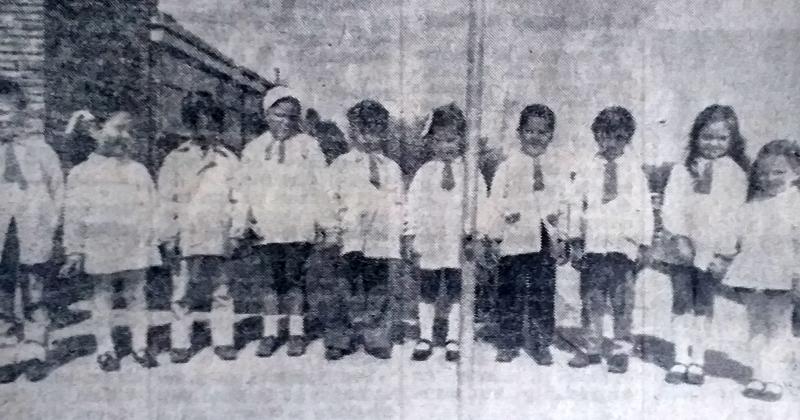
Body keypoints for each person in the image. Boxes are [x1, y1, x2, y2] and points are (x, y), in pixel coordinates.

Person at [60, 111, 162, 371]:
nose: (123, 137)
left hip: (134, 242)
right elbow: (74, 214)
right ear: (95, 132)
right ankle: (105, 349)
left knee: (136, 294)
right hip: (100, 243)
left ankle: (140, 345)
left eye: (128, 131)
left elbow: (151, 207)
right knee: (102, 295)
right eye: (117, 129)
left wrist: (154, 239)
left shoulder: (138, 171)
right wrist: (74, 250)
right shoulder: (81, 173)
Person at [236, 87, 334, 357]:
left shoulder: (308, 146)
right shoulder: (254, 149)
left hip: (297, 225)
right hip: (265, 227)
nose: (286, 123)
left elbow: (321, 186)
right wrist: (243, 220)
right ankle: (269, 333)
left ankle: (296, 333)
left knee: (294, 281)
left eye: (292, 117)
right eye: (280, 116)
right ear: (267, 114)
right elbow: (243, 188)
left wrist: (325, 222)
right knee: (269, 282)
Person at [660, 104, 749, 385]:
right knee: (681, 300)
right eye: (707, 137)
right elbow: (671, 206)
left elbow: (737, 216)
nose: (713, 144)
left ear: (732, 141)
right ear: (696, 137)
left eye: (721, 138)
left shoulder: (736, 174)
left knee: (704, 304)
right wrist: (679, 237)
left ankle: (697, 359)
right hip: (682, 247)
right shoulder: (681, 170)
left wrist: (725, 254)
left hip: (713, 250)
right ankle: (679, 358)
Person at [158, 92, 246, 363]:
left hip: (218, 233)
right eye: (198, 123)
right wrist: (168, 234)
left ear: (219, 125)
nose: (205, 130)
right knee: (182, 291)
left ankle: (223, 340)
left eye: (211, 124)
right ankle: (181, 342)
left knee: (221, 290)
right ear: (189, 125)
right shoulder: (175, 159)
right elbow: (165, 200)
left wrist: (236, 232)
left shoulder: (228, 160)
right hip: (186, 235)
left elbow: (240, 198)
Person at [567, 106, 653, 373]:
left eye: (619, 137)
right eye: (606, 136)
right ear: (597, 135)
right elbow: (574, 204)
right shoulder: (587, 168)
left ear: (627, 139)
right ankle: (590, 347)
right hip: (594, 247)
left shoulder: (634, 171)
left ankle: (620, 351)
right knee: (591, 299)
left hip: (622, 248)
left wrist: (644, 243)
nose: (612, 143)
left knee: (622, 303)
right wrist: (574, 239)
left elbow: (645, 208)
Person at [406, 103, 489, 362]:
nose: (445, 146)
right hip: (430, 238)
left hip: (458, 239)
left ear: (462, 139)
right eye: (439, 140)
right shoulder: (425, 172)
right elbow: (413, 204)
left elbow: (482, 205)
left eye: (451, 140)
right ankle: (425, 336)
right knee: (428, 288)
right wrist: (410, 235)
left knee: (456, 289)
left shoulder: (471, 172)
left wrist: (476, 235)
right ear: (430, 141)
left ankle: (453, 337)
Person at [321, 100, 404, 360]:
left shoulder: (390, 167)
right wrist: (331, 228)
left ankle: (376, 336)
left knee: (378, 287)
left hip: (380, 236)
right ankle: (339, 337)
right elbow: (328, 198)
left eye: (378, 130)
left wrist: (399, 230)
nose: (370, 137)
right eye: (364, 129)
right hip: (350, 235)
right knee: (342, 288)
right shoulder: (341, 165)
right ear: (352, 131)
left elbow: (399, 201)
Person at [488, 104, 570, 364]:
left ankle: (540, 342)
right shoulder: (507, 166)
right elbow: (495, 201)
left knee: (542, 292)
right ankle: (508, 341)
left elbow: (565, 199)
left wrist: (562, 233)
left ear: (551, 135)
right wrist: (496, 232)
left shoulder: (557, 167)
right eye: (529, 131)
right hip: (515, 234)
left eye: (542, 132)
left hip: (544, 236)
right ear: (519, 133)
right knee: (509, 291)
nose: (535, 137)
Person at [720, 140, 800, 401]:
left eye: (779, 172)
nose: (769, 178)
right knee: (756, 324)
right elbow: (735, 236)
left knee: (778, 326)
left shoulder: (795, 202)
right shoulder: (752, 204)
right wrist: (723, 256)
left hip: (784, 272)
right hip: (753, 270)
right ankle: (758, 374)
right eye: (763, 172)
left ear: (796, 172)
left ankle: (774, 378)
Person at [0, 78, 63, 383]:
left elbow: (57, 190)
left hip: (32, 230)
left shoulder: (41, 151)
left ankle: (35, 350)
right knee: (2, 292)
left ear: (21, 113)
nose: (1, 119)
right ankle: (5, 351)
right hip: (2, 233)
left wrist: (51, 226)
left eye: (5, 112)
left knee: (34, 291)